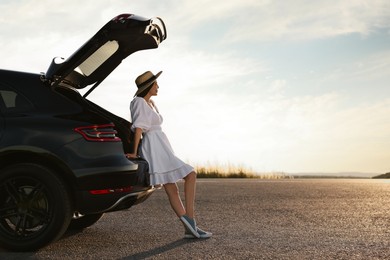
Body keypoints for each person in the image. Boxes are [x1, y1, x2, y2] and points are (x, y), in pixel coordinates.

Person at [126, 71, 212, 239]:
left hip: (162, 145)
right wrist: (134, 153)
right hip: (154, 147)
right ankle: (191, 220)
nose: (158, 86)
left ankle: (189, 228)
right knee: (191, 174)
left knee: (172, 188)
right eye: (155, 84)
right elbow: (138, 128)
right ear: (148, 86)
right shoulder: (138, 102)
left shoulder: (151, 103)